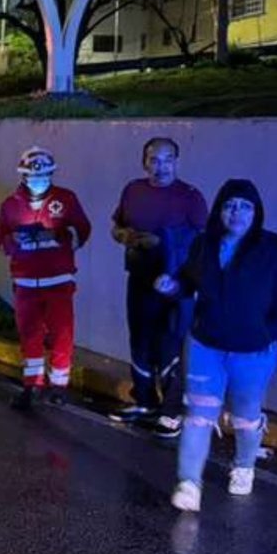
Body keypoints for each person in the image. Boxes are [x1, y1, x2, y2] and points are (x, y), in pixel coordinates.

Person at [156, 179, 277, 513]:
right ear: (219, 211)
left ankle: (243, 466)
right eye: (229, 205)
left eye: (245, 206)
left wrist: (266, 333)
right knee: (198, 414)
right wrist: (172, 285)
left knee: (245, 416)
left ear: (256, 212)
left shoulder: (275, 249)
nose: (236, 212)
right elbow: (188, 280)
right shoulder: (204, 245)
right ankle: (189, 482)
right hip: (206, 345)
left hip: (253, 352)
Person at [110, 138, 207, 437]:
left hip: (175, 286)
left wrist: (177, 274)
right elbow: (116, 226)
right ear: (144, 162)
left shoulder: (190, 197)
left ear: (177, 162)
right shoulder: (133, 190)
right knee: (140, 340)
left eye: (167, 159)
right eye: (153, 159)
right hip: (139, 278)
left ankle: (172, 411)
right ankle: (144, 401)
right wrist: (125, 236)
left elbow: (203, 244)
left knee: (170, 344)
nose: (160, 166)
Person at [0, 147, 92, 410]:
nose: (39, 179)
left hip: (58, 280)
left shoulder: (66, 199)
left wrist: (59, 235)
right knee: (29, 334)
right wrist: (12, 240)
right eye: (34, 175)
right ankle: (32, 384)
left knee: (62, 333)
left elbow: (82, 229)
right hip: (25, 282)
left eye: (45, 174)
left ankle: (59, 385)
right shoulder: (11, 205)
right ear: (23, 176)